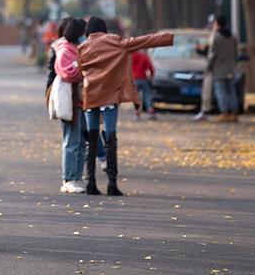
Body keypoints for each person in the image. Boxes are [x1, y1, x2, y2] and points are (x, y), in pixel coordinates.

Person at [78, 17, 174, 196]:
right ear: (104, 29)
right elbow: (143, 41)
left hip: (90, 96)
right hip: (110, 97)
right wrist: (167, 38)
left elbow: (79, 71)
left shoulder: (82, 47)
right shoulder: (115, 41)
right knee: (110, 138)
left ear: (88, 31)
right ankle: (112, 184)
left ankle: (91, 182)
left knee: (92, 139)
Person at [54, 18, 87, 194]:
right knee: (71, 142)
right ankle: (68, 178)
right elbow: (68, 73)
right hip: (71, 103)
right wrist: (83, 68)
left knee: (81, 142)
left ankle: (77, 176)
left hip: (82, 102)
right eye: (84, 33)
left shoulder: (77, 49)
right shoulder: (65, 51)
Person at [207, 15, 239, 122]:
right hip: (231, 69)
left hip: (219, 70)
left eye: (215, 23)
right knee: (232, 92)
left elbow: (213, 55)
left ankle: (224, 113)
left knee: (221, 92)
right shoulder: (233, 37)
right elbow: (236, 54)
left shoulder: (216, 37)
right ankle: (234, 114)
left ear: (218, 24)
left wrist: (209, 67)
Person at [131, 50, 156, 118]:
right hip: (143, 78)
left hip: (134, 79)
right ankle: (150, 111)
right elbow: (150, 66)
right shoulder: (143, 56)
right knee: (147, 95)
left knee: (136, 97)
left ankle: (137, 113)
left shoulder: (130, 56)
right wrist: (152, 75)